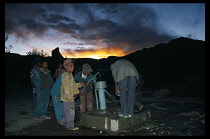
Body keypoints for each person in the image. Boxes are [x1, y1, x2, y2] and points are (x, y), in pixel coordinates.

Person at [59, 59, 84, 131]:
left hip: (67, 97)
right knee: (71, 112)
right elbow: (66, 88)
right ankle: (70, 126)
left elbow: (71, 85)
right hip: (68, 97)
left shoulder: (69, 74)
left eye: (73, 66)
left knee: (67, 110)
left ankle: (63, 121)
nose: (72, 67)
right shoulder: (66, 76)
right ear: (65, 66)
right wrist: (70, 98)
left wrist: (79, 84)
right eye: (70, 66)